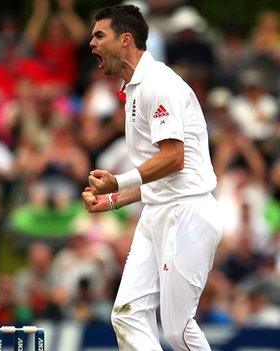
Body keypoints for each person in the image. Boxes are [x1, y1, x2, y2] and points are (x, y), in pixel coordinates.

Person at [82, 5, 222, 350]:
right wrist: (113, 200)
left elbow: (174, 158)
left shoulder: (158, 84)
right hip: (158, 211)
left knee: (177, 331)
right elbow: (157, 177)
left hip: (186, 213)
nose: (91, 43)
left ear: (126, 40)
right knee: (127, 315)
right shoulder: (133, 88)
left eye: (100, 35)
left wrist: (117, 183)